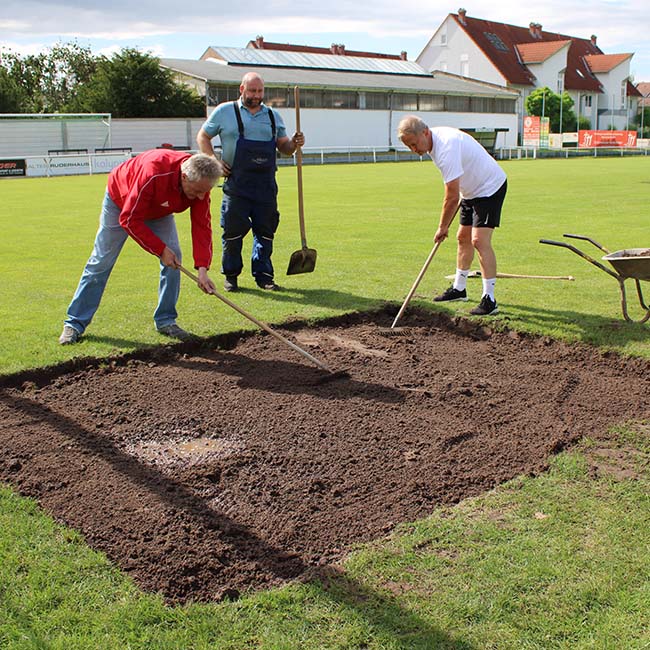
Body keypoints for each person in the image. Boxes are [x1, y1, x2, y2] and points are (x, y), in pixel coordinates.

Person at [58, 150, 222, 345]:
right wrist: (160, 250)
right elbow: (129, 219)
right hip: (121, 201)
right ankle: (74, 323)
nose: (201, 196)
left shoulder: (201, 183)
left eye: (204, 191)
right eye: (196, 191)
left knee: (175, 258)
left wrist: (202, 270)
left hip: (159, 209)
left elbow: (202, 226)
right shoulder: (153, 173)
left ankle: (166, 320)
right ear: (184, 176)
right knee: (101, 262)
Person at [196, 71, 305, 292]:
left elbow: (284, 148)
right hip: (236, 185)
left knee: (265, 232)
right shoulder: (224, 111)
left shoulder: (273, 116)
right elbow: (203, 136)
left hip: (265, 186)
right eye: (252, 90)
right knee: (233, 232)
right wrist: (213, 161)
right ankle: (231, 276)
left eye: (260, 91)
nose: (256, 95)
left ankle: (264, 277)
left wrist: (294, 143)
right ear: (242, 89)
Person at [398, 116, 507, 316]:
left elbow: (451, 196)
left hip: (489, 187)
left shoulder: (446, 146)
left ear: (425, 132)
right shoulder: (432, 144)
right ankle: (459, 288)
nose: (414, 150)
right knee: (463, 237)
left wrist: (442, 227)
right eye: (409, 147)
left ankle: (489, 299)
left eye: (414, 144)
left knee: (479, 240)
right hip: (470, 191)